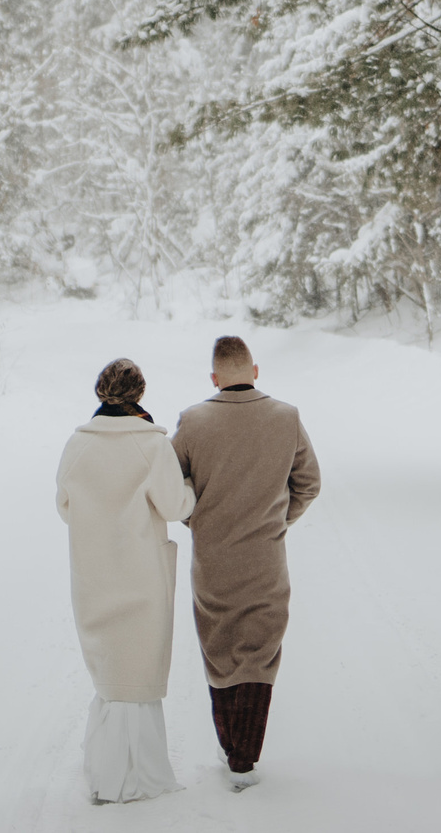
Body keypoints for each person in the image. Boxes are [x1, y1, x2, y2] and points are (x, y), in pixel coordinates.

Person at [173, 334, 320, 790]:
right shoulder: (286, 417)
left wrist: (196, 518)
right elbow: (309, 484)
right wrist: (277, 521)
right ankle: (244, 755)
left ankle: (230, 744)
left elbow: (169, 486)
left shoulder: (193, 422)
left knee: (219, 653)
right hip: (266, 560)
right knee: (259, 655)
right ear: (255, 371)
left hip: (212, 563)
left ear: (214, 378)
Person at [55, 356, 195, 804]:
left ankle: (107, 768)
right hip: (140, 573)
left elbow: (64, 505)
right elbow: (176, 506)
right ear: (139, 394)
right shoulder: (151, 444)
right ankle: (135, 776)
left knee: (111, 671)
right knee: (138, 671)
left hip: (95, 571)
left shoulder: (77, 444)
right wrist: (192, 488)